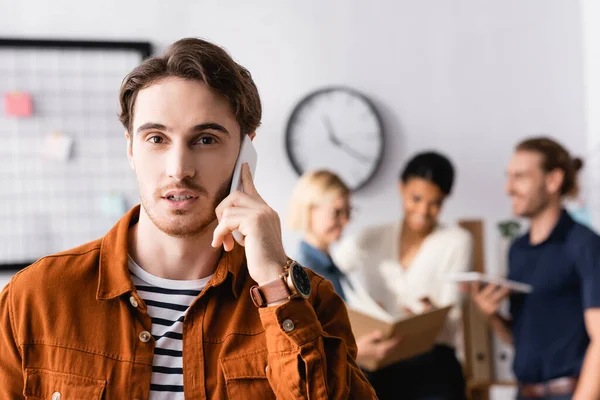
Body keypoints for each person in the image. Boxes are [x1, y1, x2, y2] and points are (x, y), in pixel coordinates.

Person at [0, 38, 377, 399]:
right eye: (156, 139)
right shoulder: (34, 298)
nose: (179, 169)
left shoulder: (308, 302)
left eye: (206, 139)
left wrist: (275, 285)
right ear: (131, 148)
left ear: (246, 151)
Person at [466, 137, 600, 400]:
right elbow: (521, 339)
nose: (508, 188)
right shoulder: (517, 250)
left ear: (552, 181)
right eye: (508, 177)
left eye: (520, 177)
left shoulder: (584, 244)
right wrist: (492, 315)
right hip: (524, 393)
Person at [334, 151, 472, 400]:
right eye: (416, 198)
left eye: (436, 203)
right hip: (378, 363)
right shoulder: (371, 236)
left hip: (434, 366)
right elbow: (327, 270)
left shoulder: (457, 241)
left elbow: (453, 313)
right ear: (401, 188)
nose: (423, 210)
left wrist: (431, 312)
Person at [287, 170, 352, 301]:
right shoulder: (305, 273)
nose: (346, 220)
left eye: (348, 211)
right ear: (309, 210)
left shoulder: (329, 267)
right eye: (337, 212)